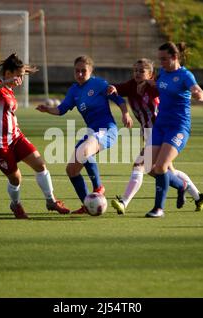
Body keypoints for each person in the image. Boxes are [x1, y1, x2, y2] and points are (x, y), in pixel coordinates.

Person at [108, 58, 203, 215]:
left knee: (141, 165)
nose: (138, 74)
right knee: (163, 170)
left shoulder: (156, 87)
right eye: (135, 70)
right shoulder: (131, 85)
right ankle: (196, 195)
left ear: (151, 74)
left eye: (142, 71)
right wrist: (113, 89)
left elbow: (168, 92)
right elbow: (117, 89)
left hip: (162, 130)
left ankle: (124, 202)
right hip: (149, 132)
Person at [36, 55, 133, 214]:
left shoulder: (99, 84)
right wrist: (47, 109)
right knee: (71, 170)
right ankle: (88, 205)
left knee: (84, 150)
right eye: (77, 71)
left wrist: (125, 114)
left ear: (91, 71)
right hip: (92, 132)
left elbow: (118, 99)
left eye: (83, 71)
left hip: (106, 130)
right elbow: (61, 109)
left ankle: (98, 187)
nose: (80, 74)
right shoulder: (74, 90)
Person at [0, 53, 69, 219]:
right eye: (18, 76)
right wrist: (6, 82)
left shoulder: (10, 90)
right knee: (16, 179)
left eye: (22, 76)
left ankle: (51, 201)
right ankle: (15, 205)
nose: (20, 80)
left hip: (16, 138)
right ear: (8, 74)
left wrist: (23, 71)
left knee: (40, 165)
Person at [145, 42, 203, 218]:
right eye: (160, 59)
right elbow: (161, 88)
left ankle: (158, 209)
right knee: (149, 167)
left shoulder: (185, 75)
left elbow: (198, 91)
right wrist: (148, 84)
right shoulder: (163, 73)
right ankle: (182, 186)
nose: (161, 62)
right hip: (160, 126)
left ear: (175, 57)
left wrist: (199, 95)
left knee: (161, 166)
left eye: (164, 59)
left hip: (178, 127)